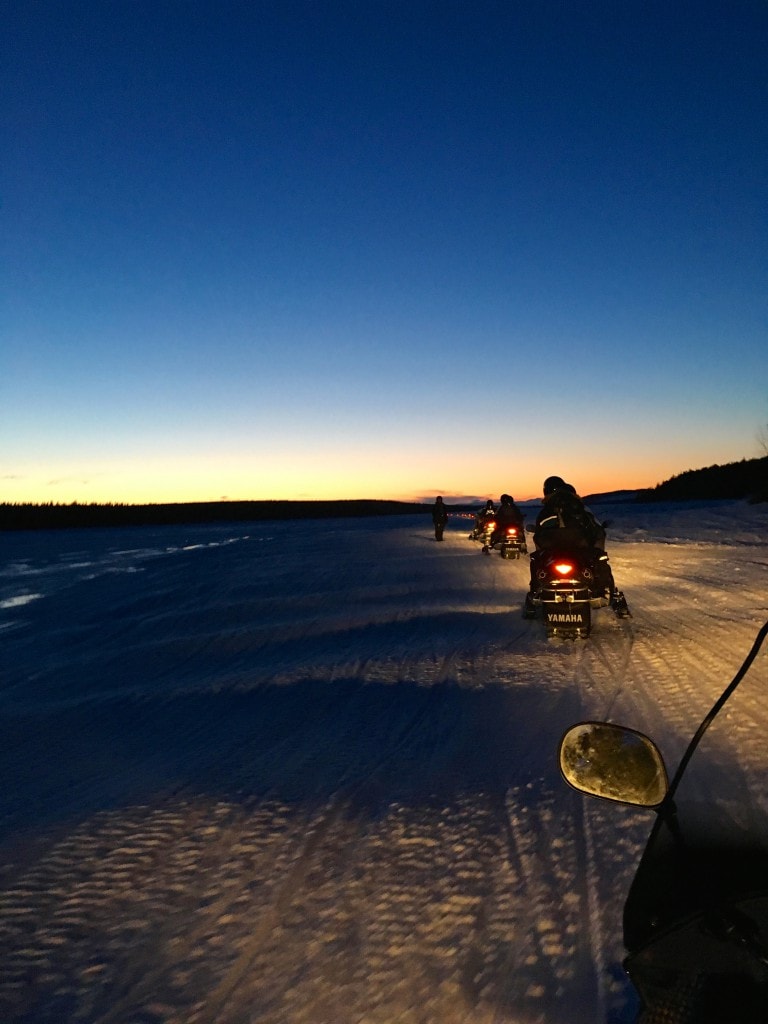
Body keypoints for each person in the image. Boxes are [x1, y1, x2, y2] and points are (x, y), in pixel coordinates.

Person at [530, 476, 617, 599]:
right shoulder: (579, 507)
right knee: (599, 559)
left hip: (552, 547)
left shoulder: (547, 508)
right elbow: (593, 526)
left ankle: (535, 591)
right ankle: (605, 591)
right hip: (579, 544)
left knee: (536, 560)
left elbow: (539, 530)